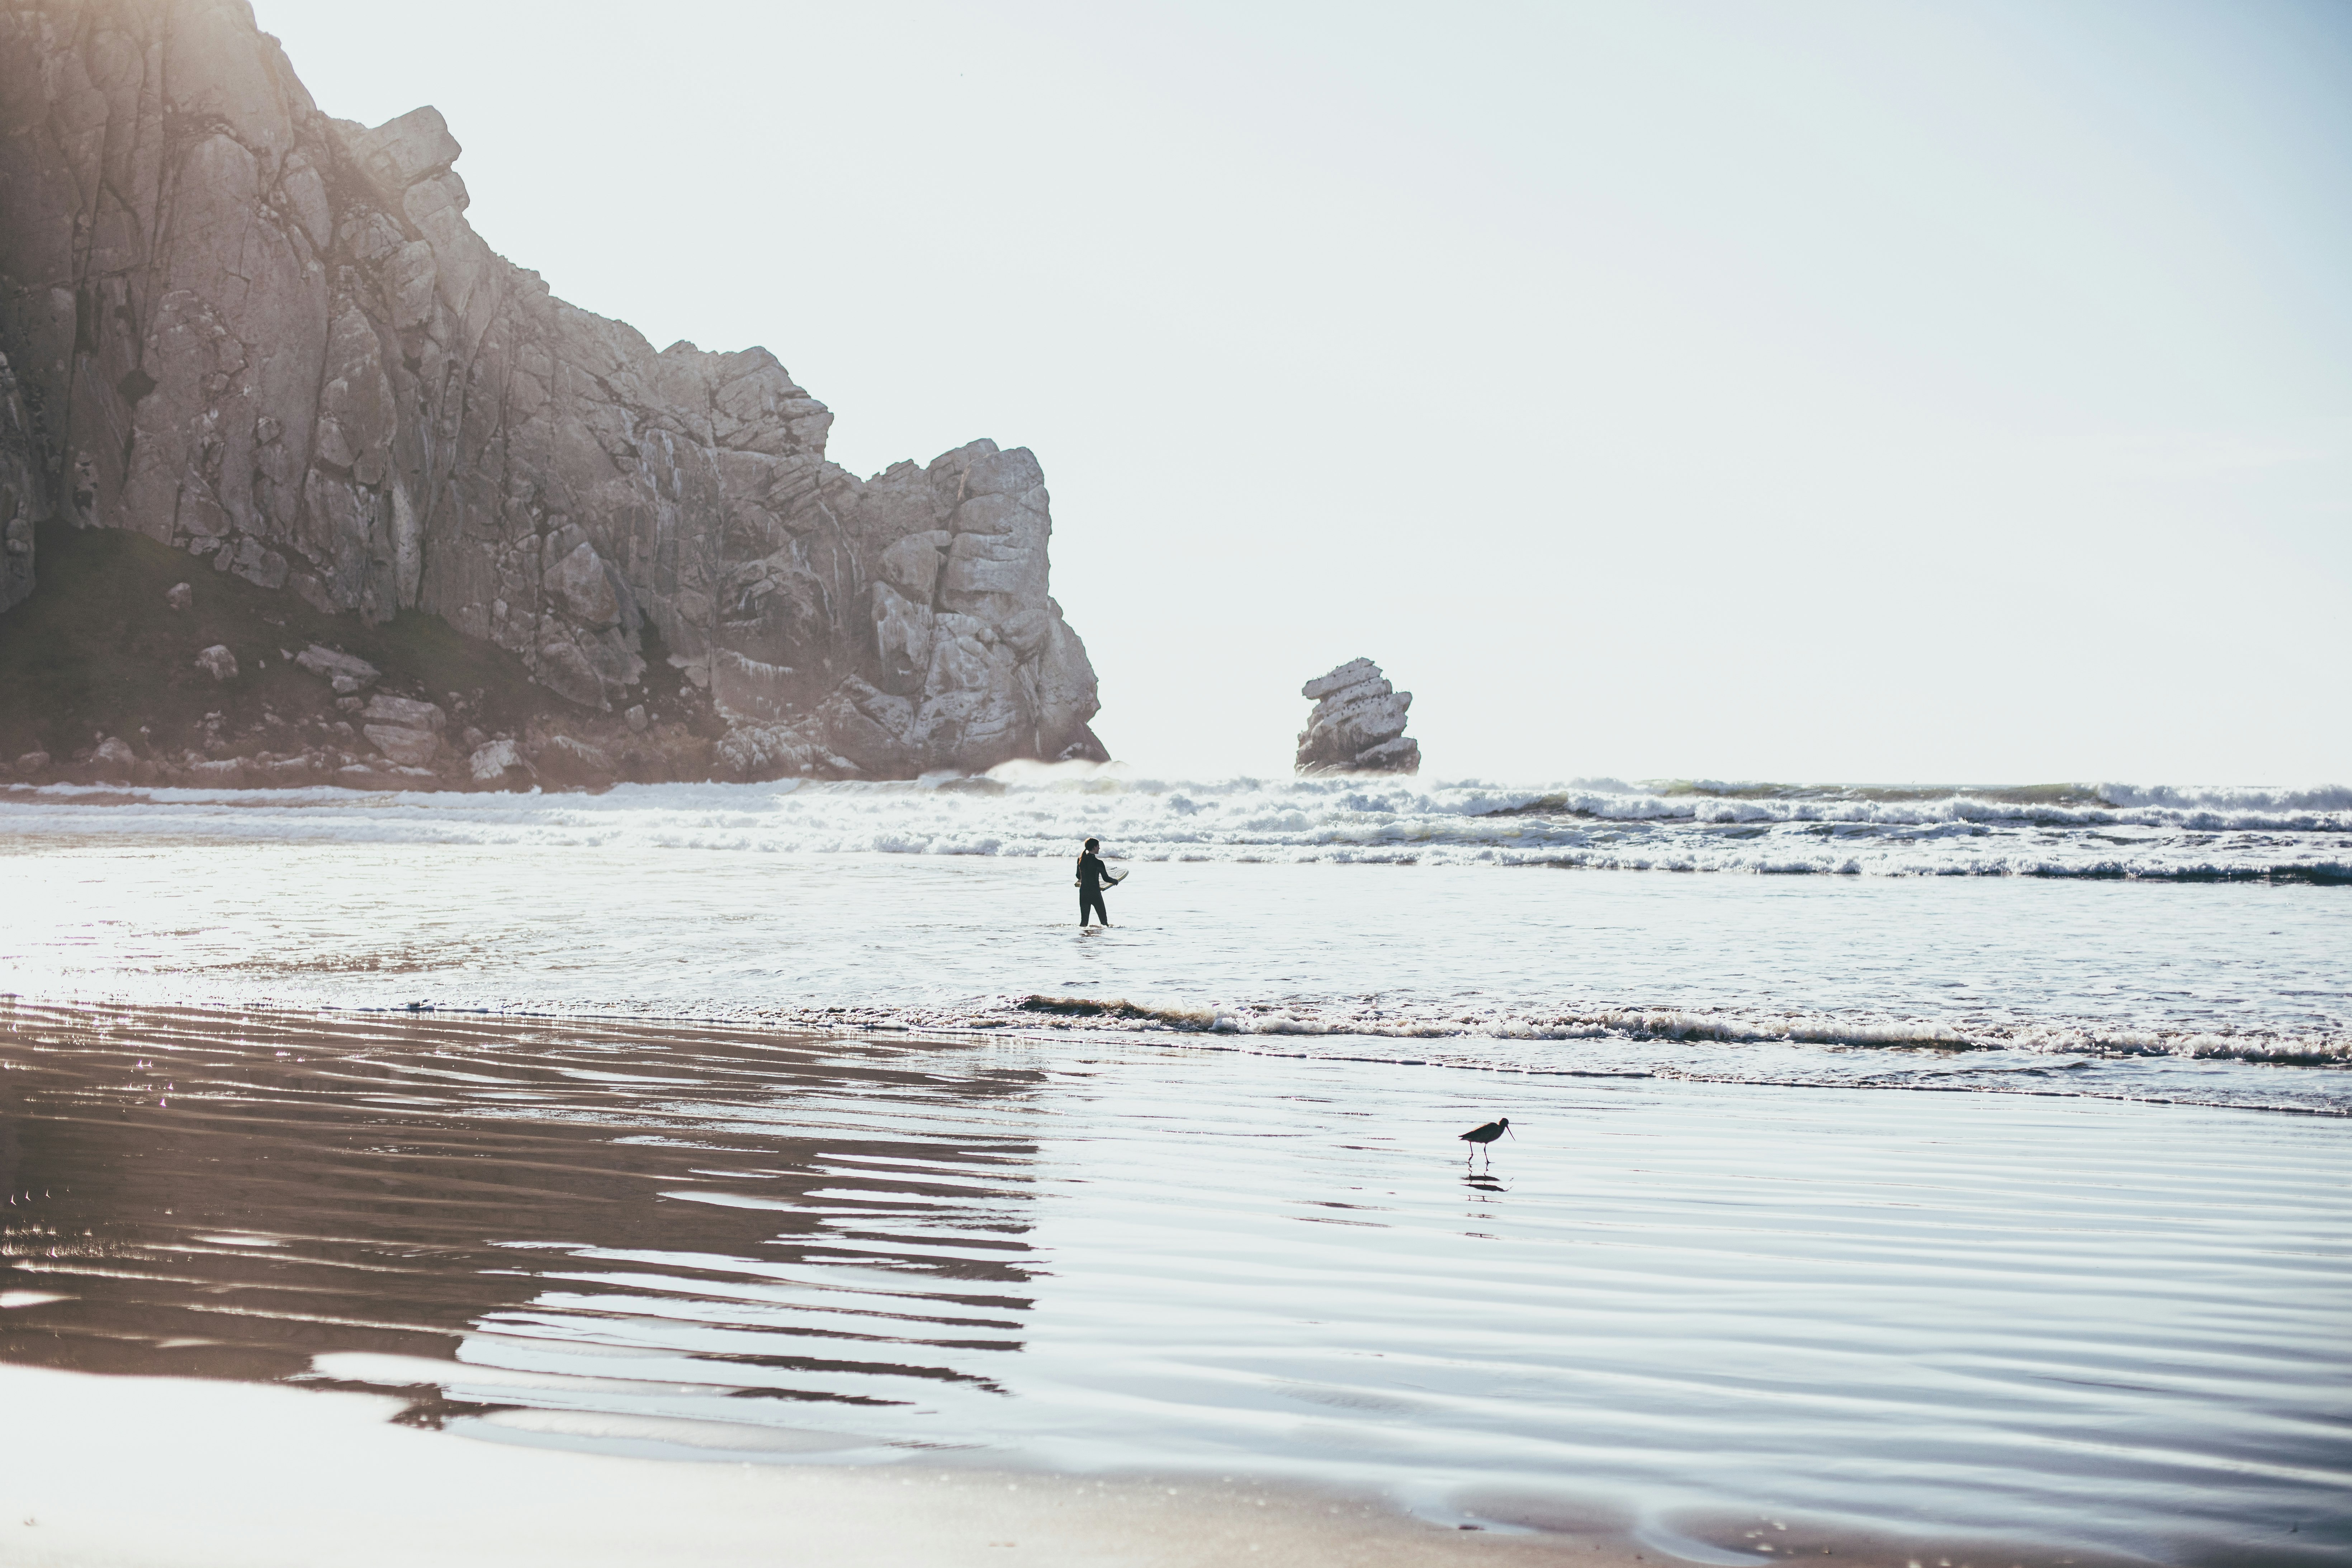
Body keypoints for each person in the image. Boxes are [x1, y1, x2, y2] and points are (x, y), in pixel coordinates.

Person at [1076, 837, 1112, 928]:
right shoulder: (1098, 863)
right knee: (1104, 922)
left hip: (1084, 893)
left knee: (1084, 923)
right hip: (1095, 894)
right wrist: (1115, 881)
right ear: (1094, 848)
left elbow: (1078, 876)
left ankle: (1084, 939)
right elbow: (1106, 878)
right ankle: (1102, 941)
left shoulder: (1080, 860)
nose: (1099, 848)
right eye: (1098, 846)